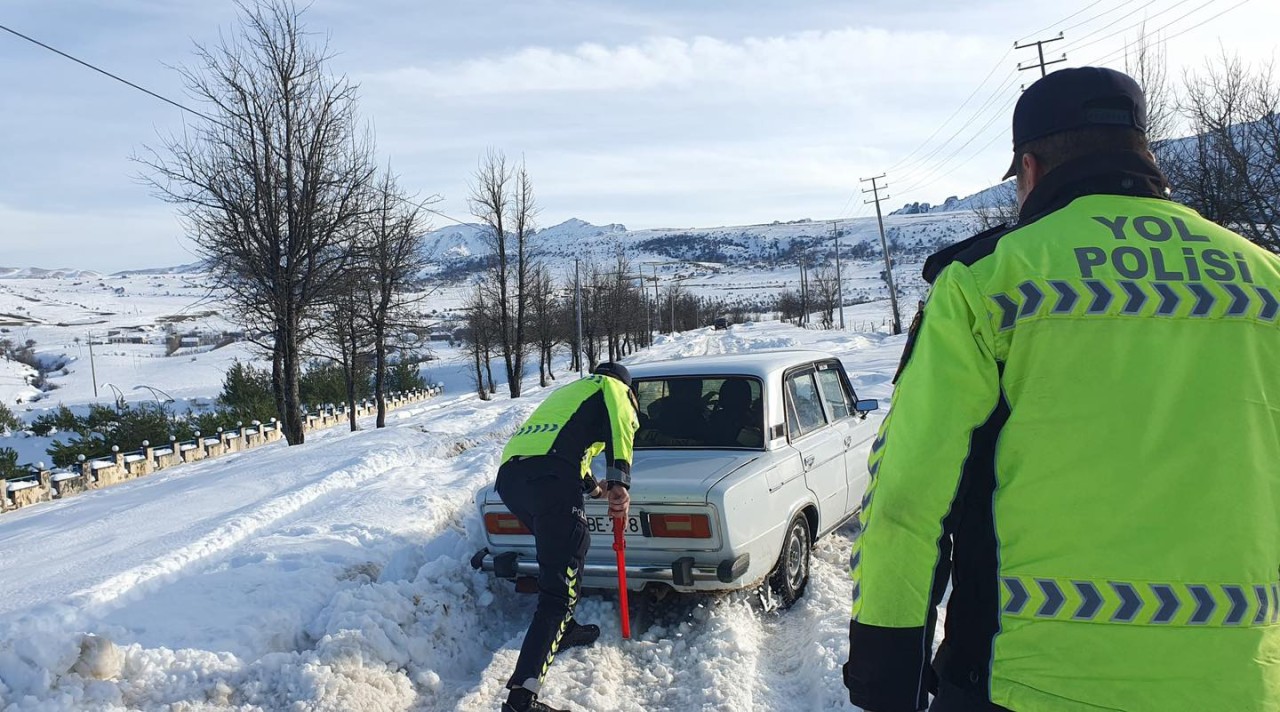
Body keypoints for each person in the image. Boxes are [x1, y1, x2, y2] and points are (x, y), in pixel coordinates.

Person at [843, 66, 1280, 712]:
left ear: (1030, 170)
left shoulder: (987, 282)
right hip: (1242, 686)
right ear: (1146, 156)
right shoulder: (1265, 282)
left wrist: (887, 680)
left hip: (1026, 684)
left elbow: (910, 497)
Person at [496, 362, 639, 712]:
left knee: (568, 548)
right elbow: (622, 428)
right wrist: (620, 483)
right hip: (550, 479)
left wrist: (594, 490)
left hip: (512, 479)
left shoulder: (570, 393)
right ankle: (521, 698)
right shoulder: (614, 390)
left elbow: (567, 450)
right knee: (558, 589)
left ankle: (566, 627)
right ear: (627, 388)